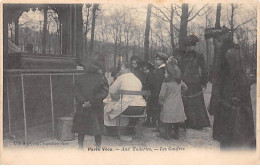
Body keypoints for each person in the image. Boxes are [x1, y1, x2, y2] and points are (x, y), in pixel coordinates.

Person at [205, 26, 256, 149]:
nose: (214, 44)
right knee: (226, 139)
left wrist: (236, 96)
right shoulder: (222, 53)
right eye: (213, 41)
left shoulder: (229, 53)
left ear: (222, 39)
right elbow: (217, 81)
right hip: (225, 102)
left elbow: (240, 78)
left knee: (237, 139)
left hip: (233, 103)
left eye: (216, 40)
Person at [72, 59, 109, 150]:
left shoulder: (79, 77)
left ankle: (80, 146)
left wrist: (84, 102)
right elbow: (104, 92)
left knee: (81, 127)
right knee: (98, 127)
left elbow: (75, 92)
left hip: (82, 106)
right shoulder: (102, 78)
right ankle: (98, 147)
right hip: (96, 106)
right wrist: (92, 102)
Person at [178, 35, 210, 130]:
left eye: (191, 45)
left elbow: (204, 69)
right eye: (187, 46)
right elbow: (180, 69)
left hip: (195, 82)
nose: (189, 48)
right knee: (185, 102)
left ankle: (198, 123)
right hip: (185, 82)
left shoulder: (199, 56)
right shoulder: (182, 57)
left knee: (196, 102)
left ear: (194, 46)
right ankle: (185, 121)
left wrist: (204, 81)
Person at [104, 63, 146, 133]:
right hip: (141, 108)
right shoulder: (137, 79)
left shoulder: (122, 77)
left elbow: (111, 90)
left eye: (122, 68)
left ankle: (111, 129)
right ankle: (131, 127)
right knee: (121, 104)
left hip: (127, 108)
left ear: (128, 69)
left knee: (108, 108)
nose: (120, 71)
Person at [158, 57, 187, 140]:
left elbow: (161, 95)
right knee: (177, 120)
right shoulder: (179, 81)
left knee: (168, 120)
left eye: (166, 72)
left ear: (170, 73)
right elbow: (185, 87)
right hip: (178, 104)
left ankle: (167, 133)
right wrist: (181, 93)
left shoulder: (165, 83)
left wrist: (160, 101)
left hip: (168, 104)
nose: (164, 74)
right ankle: (176, 134)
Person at [149, 52, 168, 130]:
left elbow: (157, 83)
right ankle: (159, 126)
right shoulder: (162, 69)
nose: (156, 61)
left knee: (158, 109)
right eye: (155, 59)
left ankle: (159, 126)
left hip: (158, 92)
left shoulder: (161, 70)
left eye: (158, 59)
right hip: (158, 92)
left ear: (162, 61)